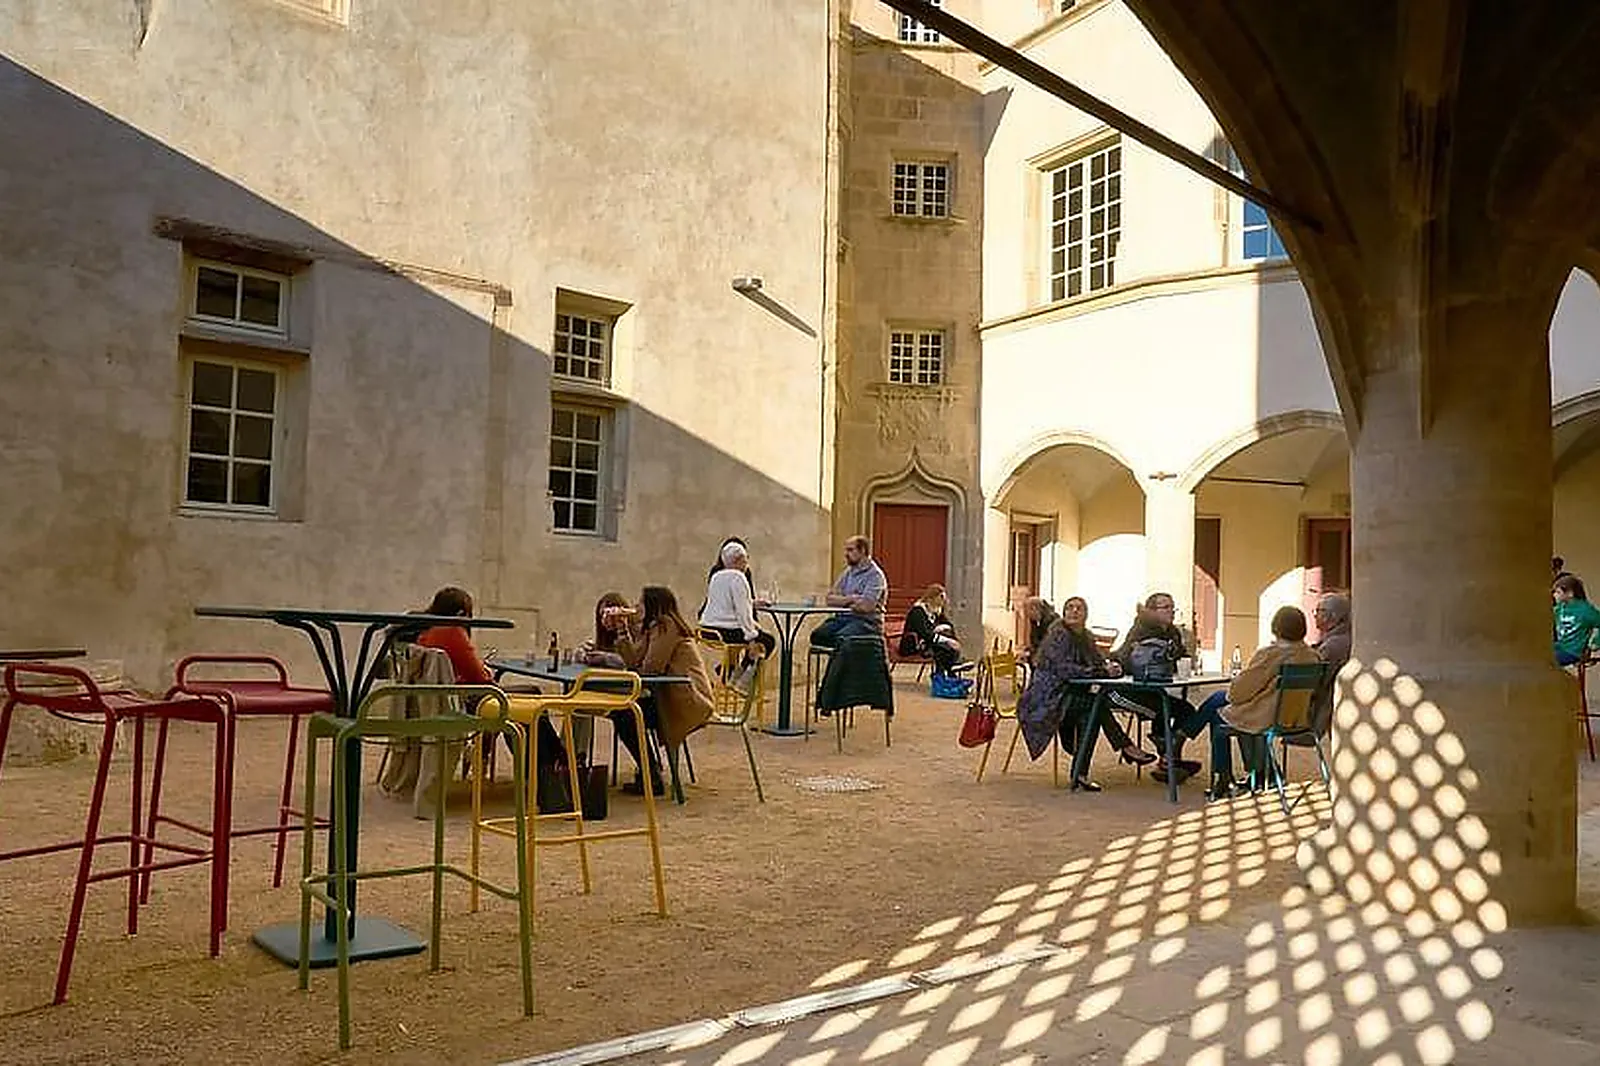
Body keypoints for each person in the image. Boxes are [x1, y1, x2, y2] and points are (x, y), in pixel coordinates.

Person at [415, 585, 566, 776]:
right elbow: (479, 678)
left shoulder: (425, 634)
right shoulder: (452, 631)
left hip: (443, 699)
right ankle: (549, 766)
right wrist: (487, 675)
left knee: (526, 700)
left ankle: (548, 763)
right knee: (530, 700)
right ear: (461, 613)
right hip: (464, 701)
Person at [1017, 595, 1154, 791]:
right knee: (1094, 707)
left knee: (1092, 712)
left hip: (1068, 696)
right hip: (1046, 699)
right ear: (1063, 613)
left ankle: (1081, 773)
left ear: (1085, 614)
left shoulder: (1086, 636)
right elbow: (1063, 669)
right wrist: (1100, 672)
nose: (1073, 611)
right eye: (1069, 608)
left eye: (1078, 608)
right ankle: (1123, 748)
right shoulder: (1058, 634)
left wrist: (1111, 666)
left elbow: (1098, 660)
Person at [1185, 605, 1321, 800]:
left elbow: (1238, 693)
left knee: (1218, 714)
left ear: (1276, 627)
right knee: (1218, 702)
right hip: (1295, 718)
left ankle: (1221, 776)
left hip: (1264, 717)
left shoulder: (1271, 654)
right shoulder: (1312, 656)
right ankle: (1243, 774)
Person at [613, 586, 716, 796]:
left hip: (684, 701)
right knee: (624, 712)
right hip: (668, 697)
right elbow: (634, 660)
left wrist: (636, 669)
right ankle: (650, 771)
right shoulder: (655, 628)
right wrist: (623, 629)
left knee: (625, 713)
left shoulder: (665, 626)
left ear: (652, 606)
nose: (636, 607)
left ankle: (650, 774)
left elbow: (651, 668)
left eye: (641, 603)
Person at [1108, 592, 1199, 783]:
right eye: (1166, 607)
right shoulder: (1140, 630)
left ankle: (1169, 757)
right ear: (1152, 611)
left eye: (1172, 607)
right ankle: (1168, 759)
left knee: (1187, 710)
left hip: (1153, 689)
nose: (1171, 611)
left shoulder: (1172, 632)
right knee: (1163, 709)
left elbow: (1179, 657)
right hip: (1126, 690)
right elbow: (1127, 660)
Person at [699, 540, 776, 690]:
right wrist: (751, 637)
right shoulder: (738, 577)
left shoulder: (717, 576)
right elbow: (743, 612)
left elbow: (727, 604)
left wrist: (752, 603)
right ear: (739, 560)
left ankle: (731, 672)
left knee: (756, 637)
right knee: (767, 641)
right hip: (726, 631)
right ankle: (742, 681)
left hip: (708, 629)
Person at [809, 534, 889, 649]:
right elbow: (829, 599)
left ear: (862, 551)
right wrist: (852, 599)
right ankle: (843, 660)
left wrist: (842, 601)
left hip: (866, 622)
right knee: (818, 636)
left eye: (850, 550)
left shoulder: (875, 576)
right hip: (843, 619)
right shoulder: (848, 572)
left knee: (842, 639)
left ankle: (842, 665)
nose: (846, 554)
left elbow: (866, 607)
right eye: (846, 550)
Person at [899, 584, 964, 676]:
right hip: (914, 644)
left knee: (944, 644)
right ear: (931, 598)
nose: (943, 600)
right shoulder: (918, 611)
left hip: (929, 643)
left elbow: (949, 625)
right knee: (944, 648)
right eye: (941, 597)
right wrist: (948, 640)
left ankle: (948, 671)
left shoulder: (936, 611)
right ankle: (951, 669)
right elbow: (925, 633)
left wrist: (950, 637)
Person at [1554, 575, 1600, 667]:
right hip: (1559, 646)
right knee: (1536, 655)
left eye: (1558, 592)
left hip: (1573, 651)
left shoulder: (1585, 610)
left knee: (1546, 661)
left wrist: (1595, 643)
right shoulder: (1560, 608)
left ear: (1570, 593)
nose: (1554, 595)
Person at [1019, 596, 1060, 661]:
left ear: (1034, 608)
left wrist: (1032, 654)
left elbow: (1048, 645)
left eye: (1027, 611)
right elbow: (1035, 642)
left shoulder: (1053, 621)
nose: (1026, 614)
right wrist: (1028, 651)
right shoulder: (1035, 621)